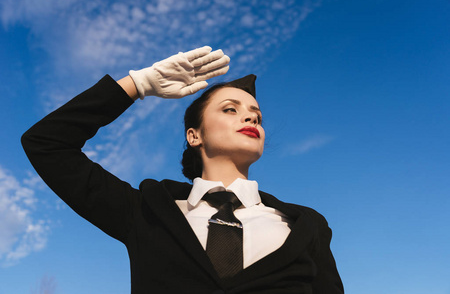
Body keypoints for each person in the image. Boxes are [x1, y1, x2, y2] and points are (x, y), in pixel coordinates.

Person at [22, 46, 344, 293]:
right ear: (194, 135)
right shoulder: (146, 213)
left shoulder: (305, 227)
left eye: (256, 114)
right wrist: (139, 83)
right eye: (231, 109)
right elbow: (47, 143)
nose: (251, 118)